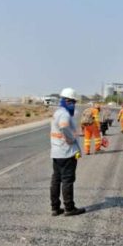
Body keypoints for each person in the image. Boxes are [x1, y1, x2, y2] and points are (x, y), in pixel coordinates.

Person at [50, 88, 85, 216]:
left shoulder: (58, 112)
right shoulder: (64, 113)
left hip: (56, 152)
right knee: (67, 180)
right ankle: (69, 208)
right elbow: (64, 127)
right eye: (72, 102)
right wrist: (70, 139)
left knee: (56, 180)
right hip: (66, 152)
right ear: (67, 101)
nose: (73, 104)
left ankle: (55, 207)